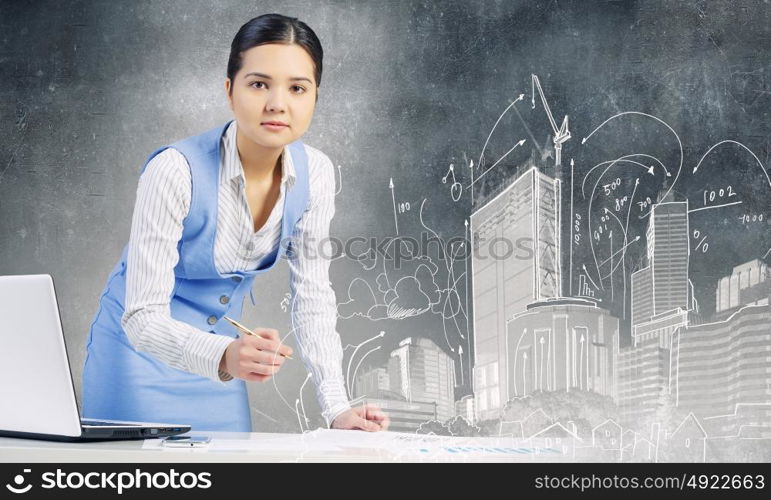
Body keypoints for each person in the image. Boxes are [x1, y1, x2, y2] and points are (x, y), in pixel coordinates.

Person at [82, 13, 389, 433]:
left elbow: (313, 296)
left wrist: (337, 408)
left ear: (315, 96)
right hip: (138, 359)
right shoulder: (175, 170)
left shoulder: (316, 173)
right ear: (230, 91)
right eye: (259, 84)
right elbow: (141, 318)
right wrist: (225, 355)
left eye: (298, 88)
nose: (278, 103)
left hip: (222, 368)